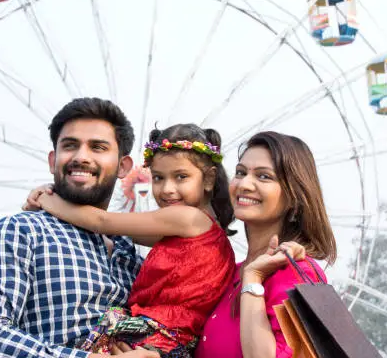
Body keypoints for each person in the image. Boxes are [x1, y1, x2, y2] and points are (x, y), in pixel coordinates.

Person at [0, 97, 158, 358]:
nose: (81, 157)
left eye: (98, 147)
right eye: (70, 146)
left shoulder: (133, 257)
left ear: (123, 166)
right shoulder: (21, 232)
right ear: (53, 160)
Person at [26, 124, 236, 357]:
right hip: (176, 343)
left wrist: (48, 200)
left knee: (93, 334)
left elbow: (102, 222)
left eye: (181, 177)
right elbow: (121, 231)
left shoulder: (187, 218)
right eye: (158, 178)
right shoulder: (205, 231)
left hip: (156, 333)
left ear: (208, 179)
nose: (167, 189)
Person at [194, 131, 337, 358]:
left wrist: (253, 279)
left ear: (295, 197)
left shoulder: (296, 274)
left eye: (264, 177)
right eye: (240, 172)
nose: (245, 184)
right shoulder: (224, 273)